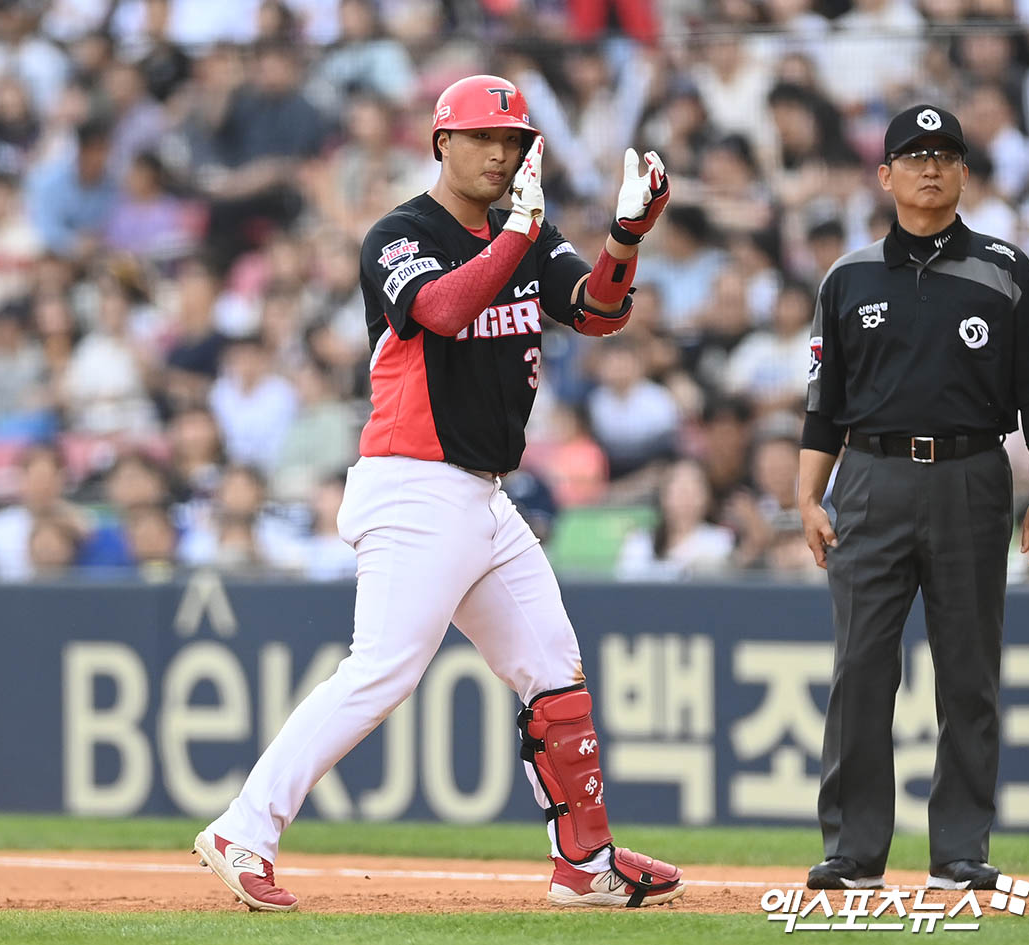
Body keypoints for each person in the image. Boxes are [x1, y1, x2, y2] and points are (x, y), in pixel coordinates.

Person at [193, 73, 685, 912]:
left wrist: (626, 235)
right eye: (485, 138)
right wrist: (520, 235)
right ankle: (245, 826)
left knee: (553, 668)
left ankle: (586, 862)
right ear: (441, 142)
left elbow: (598, 311)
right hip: (414, 481)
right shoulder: (399, 232)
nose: (501, 153)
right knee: (381, 671)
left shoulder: (522, 231)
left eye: (515, 142)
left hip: (483, 494)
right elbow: (443, 308)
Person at [799, 105, 1029, 893]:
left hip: (975, 476)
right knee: (861, 667)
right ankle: (853, 850)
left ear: (966, 173)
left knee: (968, 671)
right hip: (869, 478)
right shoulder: (847, 275)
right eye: (913, 154)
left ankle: (960, 850)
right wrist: (808, 494)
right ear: (885, 174)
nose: (930, 167)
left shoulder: (1009, 270)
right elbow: (822, 402)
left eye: (945, 155)